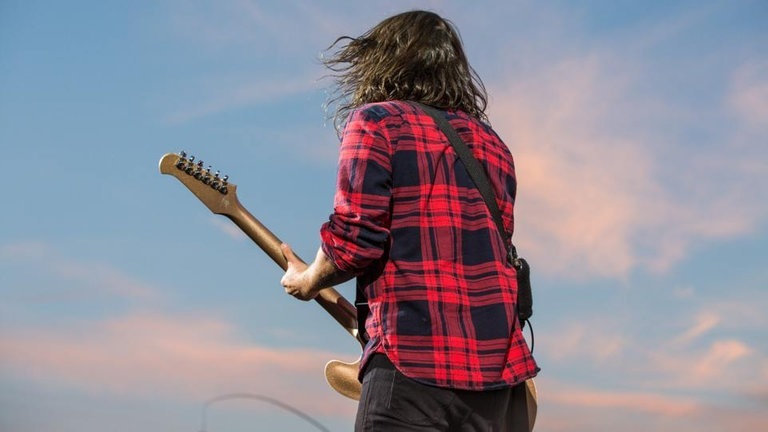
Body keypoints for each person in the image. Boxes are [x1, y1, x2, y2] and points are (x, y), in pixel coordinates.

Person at [280, 10, 539, 431]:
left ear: (386, 62)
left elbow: (355, 239)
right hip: (494, 378)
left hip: (412, 363)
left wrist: (308, 279)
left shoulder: (377, 121)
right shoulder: (494, 147)